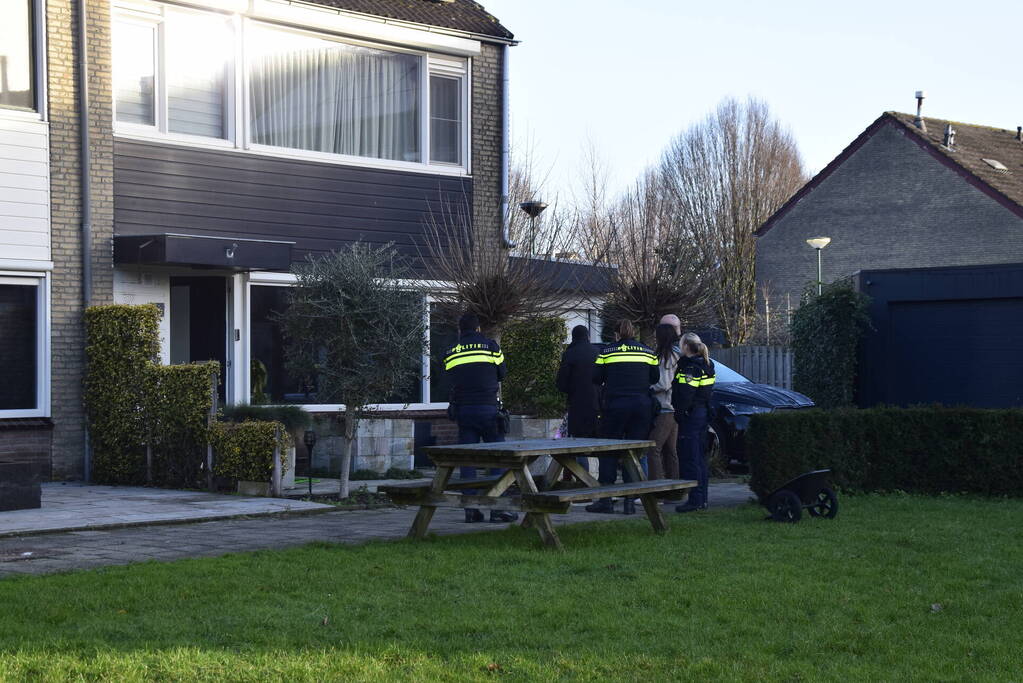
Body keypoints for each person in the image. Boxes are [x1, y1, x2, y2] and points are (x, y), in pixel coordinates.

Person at [443, 312, 518, 524]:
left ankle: (471, 509)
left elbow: (449, 378)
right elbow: (502, 373)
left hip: (464, 410)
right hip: (488, 409)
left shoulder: (451, 351)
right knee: (497, 458)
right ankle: (497, 508)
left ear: (460, 330)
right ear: (478, 329)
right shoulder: (491, 346)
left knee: (468, 460)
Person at [586, 319, 659, 515]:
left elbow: (596, 378)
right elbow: (655, 378)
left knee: (608, 450)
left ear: (616, 334)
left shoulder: (606, 352)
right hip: (641, 407)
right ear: (634, 332)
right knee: (632, 452)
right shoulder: (648, 351)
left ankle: (605, 500)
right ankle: (629, 502)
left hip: (615, 406)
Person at [673, 332, 716, 512]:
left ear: (685, 347)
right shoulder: (706, 364)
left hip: (692, 416)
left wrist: (680, 413)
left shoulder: (691, 368)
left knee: (691, 457)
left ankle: (695, 500)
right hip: (702, 414)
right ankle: (702, 499)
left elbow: (686, 394)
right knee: (699, 458)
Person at [555, 325, 600, 471]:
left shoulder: (570, 353)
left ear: (573, 337)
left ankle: (583, 479)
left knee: (578, 444)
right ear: (588, 336)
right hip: (598, 404)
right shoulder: (598, 352)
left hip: (577, 405)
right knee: (602, 444)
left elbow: (561, 383)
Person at [647, 324, 681, 491]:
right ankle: (675, 490)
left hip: (664, 408)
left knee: (653, 448)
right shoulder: (677, 355)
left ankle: (656, 491)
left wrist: (647, 388)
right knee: (670, 451)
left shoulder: (663, 357)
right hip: (674, 407)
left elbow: (663, 383)